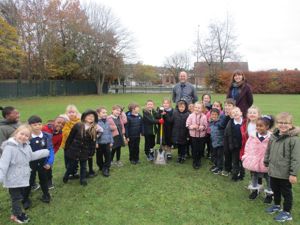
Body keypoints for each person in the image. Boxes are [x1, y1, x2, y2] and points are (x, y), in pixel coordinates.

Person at [0, 125, 49, 224]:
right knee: (16, 198)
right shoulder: (9, 147)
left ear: (29, 137)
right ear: (16, 133)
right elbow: (3, 164)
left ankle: (17, 212)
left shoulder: (26, 145)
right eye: (21, 134)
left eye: (26, 135)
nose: (23, 137)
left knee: (20, 196)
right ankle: (16, 215)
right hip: (13, 179)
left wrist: (45, 152)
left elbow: (31, 156)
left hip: (22, 177)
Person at [264, 112, 300, 222]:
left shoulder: (294, 139)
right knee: (275, 189)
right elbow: (268, 150)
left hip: (285, 173)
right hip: (273, 170)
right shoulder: (273, 137)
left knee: (286, 192)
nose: (283, 125)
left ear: (291, 124)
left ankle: (287, 212)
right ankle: (277, 205)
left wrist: (293, 174)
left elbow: (296, 158)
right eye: (280, 122)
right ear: (276, 124)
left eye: (286, 123)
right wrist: (266, 161)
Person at [23, 115, 54, 209]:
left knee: (44, 180)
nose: (37, 126)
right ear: (29, 126)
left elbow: (50, 150)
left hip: (43, 163)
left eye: (39, 124)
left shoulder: (46, 136)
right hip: (30, 164)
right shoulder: (26, 137)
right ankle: (25, 199)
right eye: (34, 125)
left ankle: (46, 195)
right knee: (29, 181)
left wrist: (49, 162)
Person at [242, 115, 274, 203]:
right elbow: (248, 147)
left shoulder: (271, 138)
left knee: (269, 178)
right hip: (254, 161)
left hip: (266, 162)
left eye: (261, 126)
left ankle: (269, 194)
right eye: (257, 125)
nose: (258, 128)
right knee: (254, 176)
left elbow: (274, 150)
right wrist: (246, 156)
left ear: (267, 127)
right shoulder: (253, 136)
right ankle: (255, 190)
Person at [63, 110, 98, 186]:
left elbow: (93, 142)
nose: (90, 117)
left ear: (94, 119)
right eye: (88, 116)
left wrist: (92, 152)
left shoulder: (93, 129)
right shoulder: (78, 125)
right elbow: (70, 137)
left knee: (83, 166)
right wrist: (67, 147)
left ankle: (83, 179)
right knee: (71, 165)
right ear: (84, 117)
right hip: (74, 150)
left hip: (85, 151)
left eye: (92, 116)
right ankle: (66, 175)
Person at [42, 116, 66, 189]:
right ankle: (33, 184)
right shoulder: (44, 128)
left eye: (62, 124)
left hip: (49, 154)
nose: (60, 125)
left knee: (48, 168)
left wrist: (52, 153)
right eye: (58, 122)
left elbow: (57, 145)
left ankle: (49, 182)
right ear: (54, 122)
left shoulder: (60, 135)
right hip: (39, 151)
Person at [224, 106, 246, 181]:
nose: (235, 113)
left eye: (237, 111)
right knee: (235, 161)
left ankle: (242, 174)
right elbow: (227, 135)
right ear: (231, 115)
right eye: (233, 112)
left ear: (241, 113)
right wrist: (230, 145)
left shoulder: (245, 122)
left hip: (244, 146)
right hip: (234, 146)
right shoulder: (230, 123)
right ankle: (235, 175)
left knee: (242, 161)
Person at [61, 105, 81, 178]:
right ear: (66, 113)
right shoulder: (65, 122)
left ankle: (75, 172)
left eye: (73, 112)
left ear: (76, 113)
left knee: (75, 159)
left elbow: (80, 132)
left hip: (76, 145)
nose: (71, 114)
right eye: (69, 112)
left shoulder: (79, 121)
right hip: (67, 144)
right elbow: (65, 132)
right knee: (68, 158)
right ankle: (69, 172)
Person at [186, 102, 207, 169]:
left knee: (200, 149)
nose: (197, 109)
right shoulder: (191, 115)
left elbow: (206, 126)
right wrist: (192, 126)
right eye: (196, 107)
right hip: (193, 136)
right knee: (194, 148)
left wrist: (202, 127)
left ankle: (199, 159)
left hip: (201, 136)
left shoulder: (204, 116)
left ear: (202, 109)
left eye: (199, 108)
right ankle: (195, 161)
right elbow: (187, 124)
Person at [209, 108, 231, 174]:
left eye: (216, 115)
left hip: (220, 143)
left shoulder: (221, 123)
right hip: (214, 142)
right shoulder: (211, 122)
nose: (214, 116)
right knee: (215, 155)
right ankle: (216, 165)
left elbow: (225, 120)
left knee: (220, 156)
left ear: (218, 115)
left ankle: (220, 168)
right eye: (212, 114)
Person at [96, 107, 113, 177]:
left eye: (106, 112)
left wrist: (111, 141)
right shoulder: (95, 123)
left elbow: (110, 132)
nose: (105, 114)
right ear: (98, 114)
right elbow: (94, 134)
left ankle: (106, 168)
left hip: (107, 142)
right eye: (103, 112)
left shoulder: (107, 121)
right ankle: (101, 166)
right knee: (99, 158)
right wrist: (96, 142)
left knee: (108, 156)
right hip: (99, 143)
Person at [171, 99, 189, 164]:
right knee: (179, 145)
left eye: (183, 107)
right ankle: (179, 157)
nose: (181, 108)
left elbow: (188, 126)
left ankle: (183, 156)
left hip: (184, 133)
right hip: (177, 133)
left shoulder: (187, 114)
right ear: (177, 107)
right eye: (180, 107)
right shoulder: (175, 113)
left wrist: (187, 135)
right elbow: (171, 122)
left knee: (183, 146)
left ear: (185, 107)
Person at [221, 98, 236, 176]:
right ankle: (227, 169)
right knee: (226, 153)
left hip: (235, 139)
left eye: (229, 105)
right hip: (226, 138)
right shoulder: (225, 116)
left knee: (235, 155)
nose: (226, 107)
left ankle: (236, 169)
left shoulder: (236, 117)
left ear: (234, 107)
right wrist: (226, 116)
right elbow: (222, 126)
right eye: (225, 105)